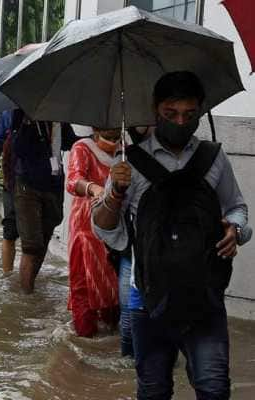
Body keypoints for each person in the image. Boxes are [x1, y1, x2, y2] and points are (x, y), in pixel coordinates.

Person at [92, 71, 251, 399]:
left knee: (214, 386)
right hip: (147, 300)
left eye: (189, 115)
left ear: (200, 112)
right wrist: (115, 194)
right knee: (153, 390)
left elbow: (237, 207)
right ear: (155, 110)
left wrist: (236, 230)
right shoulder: (130, 163)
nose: (180, 122)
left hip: (204, 296)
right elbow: (106, 229)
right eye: (170, 114)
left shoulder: (213, 157)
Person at [66, 127, 121, 337]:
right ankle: (84, 338)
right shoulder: (82, 148)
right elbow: (73, 181)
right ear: (96, 131)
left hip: (115, 230)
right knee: (83, 285)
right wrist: (93, 188)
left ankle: (111, 337)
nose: (113, 142)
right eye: (108, 136)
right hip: (85, 228)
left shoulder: (126, 153)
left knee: (113, 285)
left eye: (117, 137)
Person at [13, 111, 76, 294]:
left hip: (53, 184)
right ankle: (26, 298)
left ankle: (30, 285)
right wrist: (28, 123)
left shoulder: (60, 117)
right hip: (28, 184)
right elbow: (18, 148)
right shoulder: (22, 112)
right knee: (31, 245)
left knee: (42, 242)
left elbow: (70, 141)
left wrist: (95, 137)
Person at [0, 110, 17, 275]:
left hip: (44, 182)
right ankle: (8, 275)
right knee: (10, 230)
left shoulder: (53, 115)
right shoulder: (7, 113)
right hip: (14, 179)